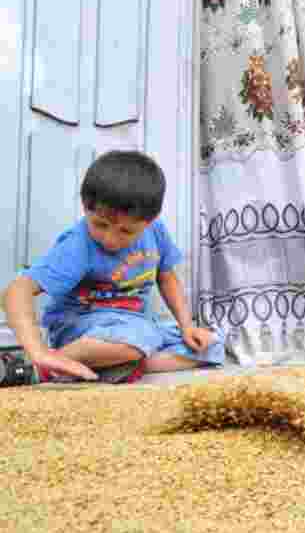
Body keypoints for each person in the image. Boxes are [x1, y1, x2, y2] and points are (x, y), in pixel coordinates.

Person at [0, 150, 224, 387]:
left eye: (126, 231)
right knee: (139, 337)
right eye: (100, 224)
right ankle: (43, 367)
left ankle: (114, 364)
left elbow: (166, 277)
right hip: (84, 325)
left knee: (210, 346)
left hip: (135, 324)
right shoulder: (77, 245)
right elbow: (17, 291)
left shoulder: (156, 231)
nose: (110, 239)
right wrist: (38, 351)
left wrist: (187, 326)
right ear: (85, 207)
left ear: (150, 220)